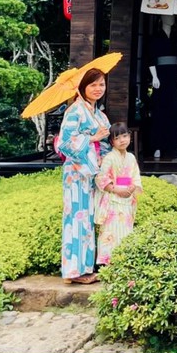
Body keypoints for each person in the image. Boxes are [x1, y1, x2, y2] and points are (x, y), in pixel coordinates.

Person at [56, 68, 112, 284]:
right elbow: (64, 143)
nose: (98, 89)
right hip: (76, 172)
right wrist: (92, 138)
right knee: (76, 220)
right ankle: (73, 272)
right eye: (93, 85)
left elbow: (106, 143)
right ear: (83, 87)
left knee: (87, 220)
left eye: (101, 84)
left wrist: (104, 159)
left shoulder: (99, 114)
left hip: (91, 172)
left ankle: (84, 269)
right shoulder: (75, 110)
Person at [95, 122, 143, 266]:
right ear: (112, 142)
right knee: (111, 230)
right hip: (113, 199)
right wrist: (116, 189)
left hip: (127, 198)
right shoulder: (109, 158)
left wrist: (132, 187)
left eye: (124, 136)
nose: (122, 140)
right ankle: (107, 261)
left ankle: (123, 260)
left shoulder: (131, 157)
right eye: (117, 138)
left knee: (125, 230)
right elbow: (101, 178)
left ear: (130, 137)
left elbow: (135, 176)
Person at [148, 14, 177, 159]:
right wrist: (154, 76)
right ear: (161, 18)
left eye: (172, 17)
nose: (170, 19)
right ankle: (158, 146)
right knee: (159, 110)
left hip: (174, 76)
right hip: (161, 76)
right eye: (167, 17)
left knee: (175, 109)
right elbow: (151, 58)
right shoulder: (155, 37)